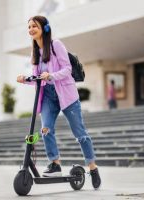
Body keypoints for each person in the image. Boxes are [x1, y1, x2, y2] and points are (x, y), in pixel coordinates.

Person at [16, 15, 101, 189]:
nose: (31, 29)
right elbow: (39, 79)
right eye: (29, 27)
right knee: (46, 129)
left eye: (35, 26)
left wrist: (52, 76)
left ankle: (92, 167)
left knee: (80, 134)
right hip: (47, 95)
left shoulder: (56, 45)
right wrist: (25, 79)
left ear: (44, 29)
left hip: (66, 94)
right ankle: (55, 163)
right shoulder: (35, 52)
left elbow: (67, 69)